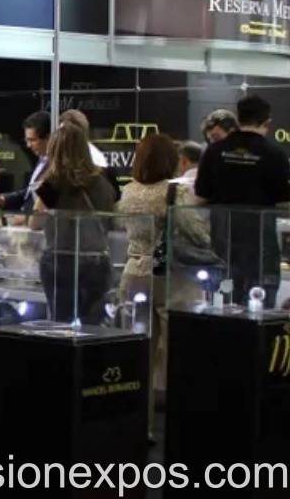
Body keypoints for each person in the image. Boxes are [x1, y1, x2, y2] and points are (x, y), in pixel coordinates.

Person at [115, 133, 211, 441]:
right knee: (178, 356)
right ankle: (180, 429)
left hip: (134, 273)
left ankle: (139, 426)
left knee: (139, 356)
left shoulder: (128, 191)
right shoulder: (175, 192)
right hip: (172, 277)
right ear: (172, 160)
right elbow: (195, 232)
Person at [194, 94, 290, 306]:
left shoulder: (214, 151)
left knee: (224, 301)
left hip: (223, 240)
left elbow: (200, 197)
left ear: (238, 118)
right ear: (267, 122)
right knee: (260, 303)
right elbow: (283, 201)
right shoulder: (275, 154)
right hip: (260, 243)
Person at [32, 123, 118, 325]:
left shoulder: (52, 184)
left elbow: (34, 222)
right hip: (96, 261)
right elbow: (110, 218)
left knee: (61, 324)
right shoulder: (103, 182)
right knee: (93, 325)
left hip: (60, 261)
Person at [0, 111, 50, 214]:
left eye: (32, 140)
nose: (28, 145)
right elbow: (29, 193)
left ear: (47, 138)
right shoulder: (41, 159)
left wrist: (26, 218)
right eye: (27, 140)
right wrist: (3, 199)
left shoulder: (56, 166)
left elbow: (43, 202)